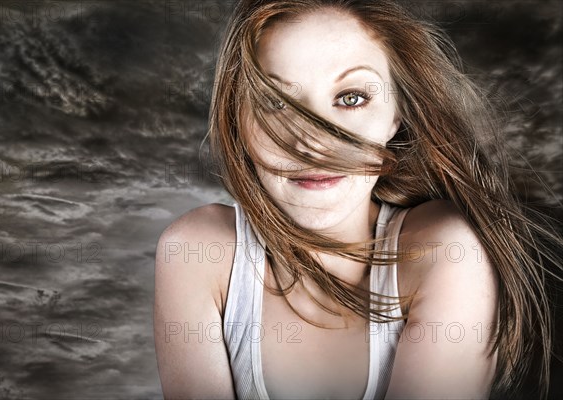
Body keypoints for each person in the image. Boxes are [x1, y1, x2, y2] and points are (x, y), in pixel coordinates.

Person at [154, 0, 562, 399]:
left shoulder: (445, 251)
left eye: (351, 98)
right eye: (275, 102)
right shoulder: (196, 251)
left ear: (396, 116)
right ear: (236, 119)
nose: (312, 145)